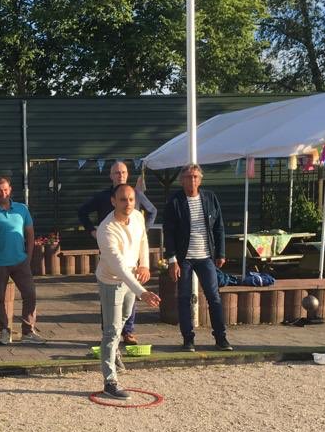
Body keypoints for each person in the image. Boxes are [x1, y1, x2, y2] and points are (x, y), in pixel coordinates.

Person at [78, 159, 158, 345]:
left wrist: (142, 233)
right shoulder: (103, 197)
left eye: (123, 172)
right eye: (116, 173)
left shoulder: (135, 195)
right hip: (111, 252)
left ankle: (127, 331)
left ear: (127, 175)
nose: (120, 175)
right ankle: (109, 333)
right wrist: (92, 230)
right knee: (111, 301)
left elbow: (152, 211)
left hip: (131, 252)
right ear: (111, 176)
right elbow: (82, 211)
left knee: (129, 297)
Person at [96, 184, 161, 397]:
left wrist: (145, 265)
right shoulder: (106, 229)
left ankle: (113, 351)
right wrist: (143, 292)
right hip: (111, 280)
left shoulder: (138, 217)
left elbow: (143, 239)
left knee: (124, 319)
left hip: (131, 278)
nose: (128, 204)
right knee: (112, 329)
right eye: (123, 200)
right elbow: (119, 267)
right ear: (113, 201)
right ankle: (109, 381)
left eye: (131, 199)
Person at [163, 164, 233, 352]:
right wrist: (172, 259)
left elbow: (219, 227)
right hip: (183, 257)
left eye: (195, 176)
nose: (191, 180)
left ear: (200, 179)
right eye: (187, 177)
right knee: (184, 298)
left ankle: (221, 337)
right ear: (181, 180)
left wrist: (221, 253)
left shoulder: (210, 198)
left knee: (214, 296)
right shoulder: (175, 201)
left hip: (206, 256)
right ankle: (188, 339)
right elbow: (168, 232)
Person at [0, 175, 43, 345]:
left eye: (5, 189)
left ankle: (28, 331)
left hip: (20, 261)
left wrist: (28, 256)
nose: (2, 193)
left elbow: (30, 233)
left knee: (30, 295)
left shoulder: (22, 209)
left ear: (10, 189)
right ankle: (5, 331)